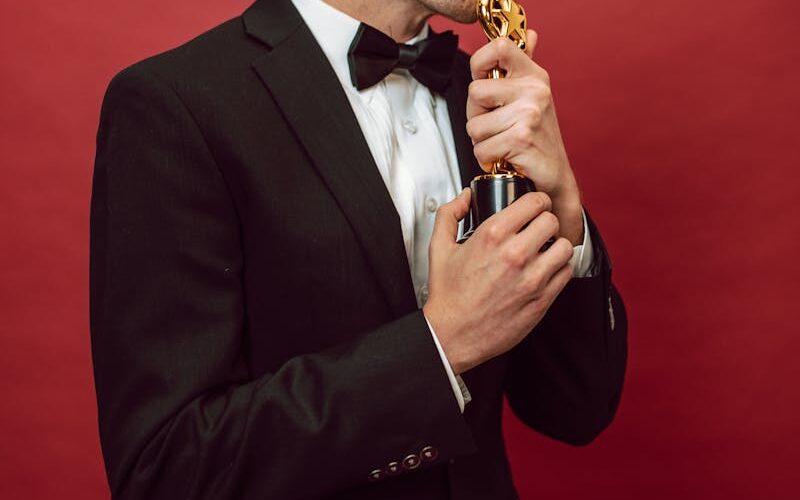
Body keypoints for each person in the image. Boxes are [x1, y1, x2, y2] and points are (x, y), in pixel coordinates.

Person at [89, 0, 627, 498]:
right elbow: (166, 470)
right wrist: (443, 343)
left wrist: (563, 199)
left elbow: (575, 411)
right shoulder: (174, 102)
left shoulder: (489, 95)